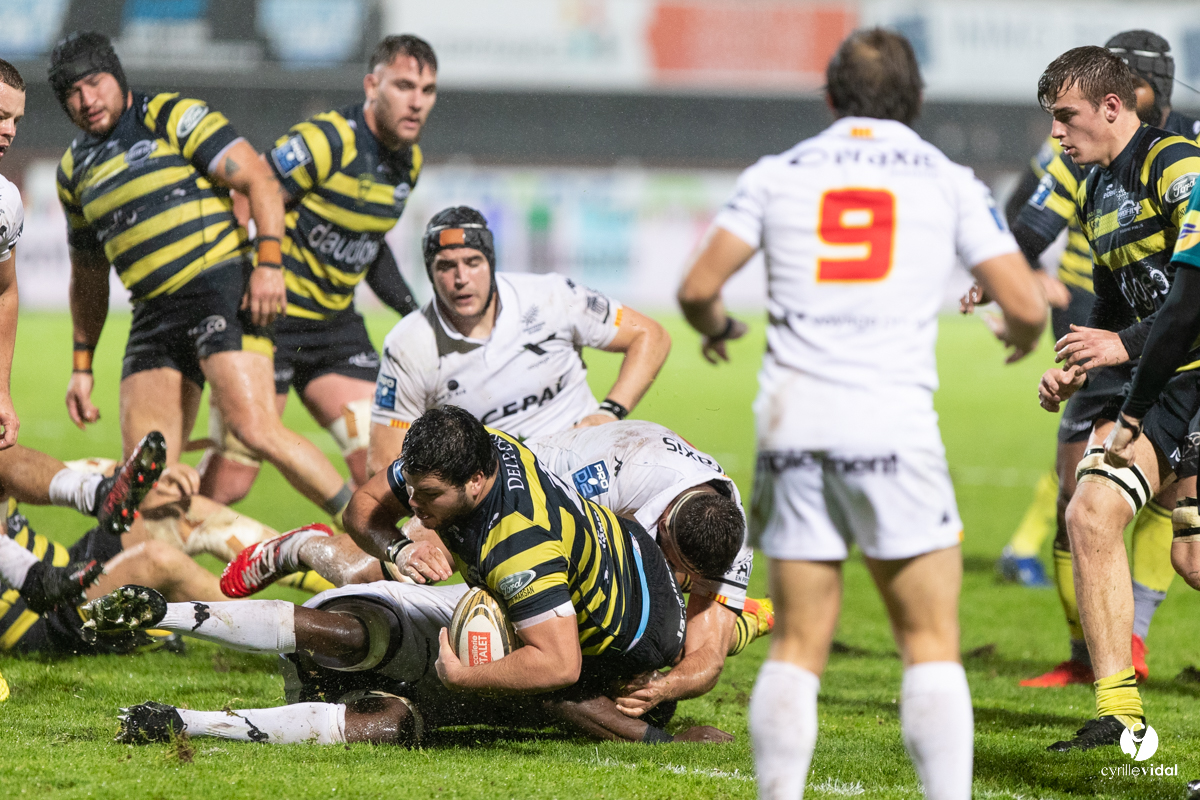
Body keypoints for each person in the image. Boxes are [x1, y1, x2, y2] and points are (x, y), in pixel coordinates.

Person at [676, 29, 1045, 799]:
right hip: (890, 424)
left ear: (831, 98)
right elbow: (1025, 302)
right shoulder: (947, 178)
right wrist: (1018, 334)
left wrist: (717, 331)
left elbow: (697, 288)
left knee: (800, 645)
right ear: (915, 100)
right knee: (930, 642)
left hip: (795, 421)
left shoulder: (779, 173)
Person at [48, 31, 353, 518]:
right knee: (147, 484)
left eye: (94, 83)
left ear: (117, 76)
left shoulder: (169, 116)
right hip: (152, 315)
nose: (86, 101)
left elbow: (258, 180)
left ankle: (370, 526)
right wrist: (81, 365)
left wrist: (269, 265)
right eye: (71, 93)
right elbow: (87, 274)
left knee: (255, 429)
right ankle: (184, 589)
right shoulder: (72, 172)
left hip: (219, 290)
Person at [997, 30, 1199, 687]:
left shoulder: (1180, 162)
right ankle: (1113, 707)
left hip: (1183, 369)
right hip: (1168, 376)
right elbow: (1113, 305)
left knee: (1106, 512)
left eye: (1064, 117)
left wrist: (1120, 345)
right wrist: (1084, 360)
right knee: (1157, 538)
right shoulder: (1093, 189)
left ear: (1117, 102)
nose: (1055, 134)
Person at [199, 34, 435, 503]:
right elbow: (249, 192)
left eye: (427, 91)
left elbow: (369, 245)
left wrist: (417, 314)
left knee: (385, 469)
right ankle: (148, 547)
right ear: (372, 84)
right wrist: (257, 272)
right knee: (231, 482)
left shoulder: (408, 163)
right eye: (404, 86)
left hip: (334, 333)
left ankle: (365, 569)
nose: (416, 102)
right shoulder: (327, 139)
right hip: (269, 325)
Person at [365, 206, 671, 476]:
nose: (461, 279)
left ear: (491, 263)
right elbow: (383, 462)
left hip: (589, 457)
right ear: (430, 274)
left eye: (473, 262)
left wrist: (609, 412)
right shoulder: (408, 345)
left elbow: (650, 335)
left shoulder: (551, 296)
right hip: (500, 493)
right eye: (446, 266)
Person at [0, 59, 25, 453]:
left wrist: (1, 391)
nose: (9, 131)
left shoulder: (6, 201)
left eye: (15, 120)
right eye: (1, 116)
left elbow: (5, 293)